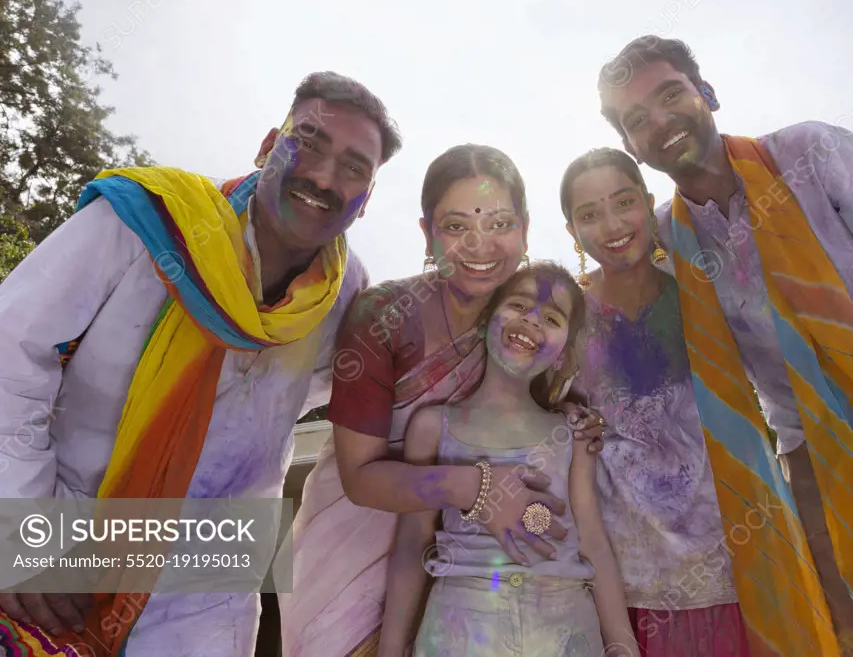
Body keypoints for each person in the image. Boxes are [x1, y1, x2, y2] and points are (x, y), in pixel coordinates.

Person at [597, 34, 853, 656]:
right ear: (630, 147)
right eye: (637, 120)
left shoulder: (810, 155)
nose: (660, 122)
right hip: (822, 471)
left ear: (707, 95)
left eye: (671, 95)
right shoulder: (666, 242)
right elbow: (608, 313)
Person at [0, 71, 399, 657]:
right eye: (307, 142)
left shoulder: (346, 294)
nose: (322, 176)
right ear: (268, 145)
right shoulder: (150, 222)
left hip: (211, 582)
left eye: (354, 167)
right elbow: (12, 354)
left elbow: (349, 392)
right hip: (67, 541)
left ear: (366, 201)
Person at [279, 144, 606, 656]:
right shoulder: (383, 313)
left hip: (464, 575)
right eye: (455, 227)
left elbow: (542, 413)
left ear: (523, 227)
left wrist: (578, 419)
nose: (480, 244)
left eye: (499, 223)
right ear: (427, 233)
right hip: (350, 547)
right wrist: (477, 488)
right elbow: (360, 478)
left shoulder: (524, 326)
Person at [379, 261, 640, 657]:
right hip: (458, 630)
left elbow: (592, 541)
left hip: (565, 629)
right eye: (519, 305)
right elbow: (412, 542)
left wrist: (623, 644)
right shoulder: (432, 427)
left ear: (561, 353)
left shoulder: (573, 431)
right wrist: (391, 646)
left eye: (551, 317)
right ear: (485, 321)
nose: (532, 320)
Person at [559, 147, 748, 656]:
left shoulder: (704, 293)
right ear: (572, 231)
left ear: (649, 202)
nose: (612, 225)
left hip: (732, 563)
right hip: (626, 577)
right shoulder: (564, 319)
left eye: (624, 202)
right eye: (589, 215)